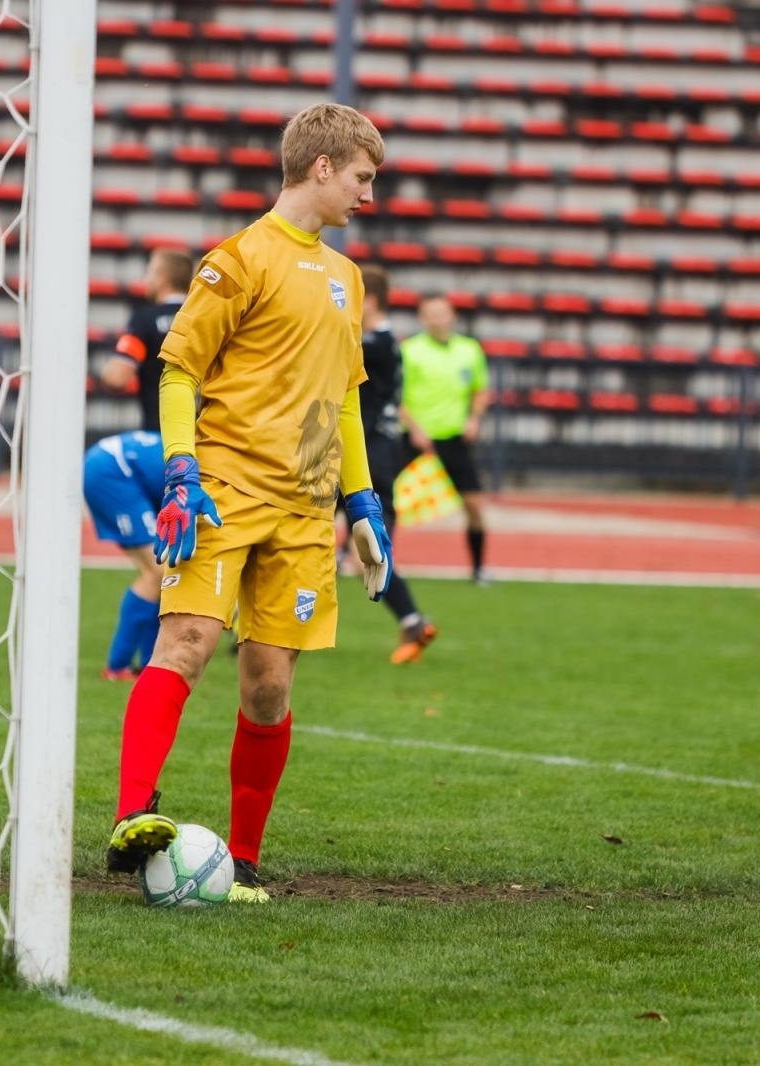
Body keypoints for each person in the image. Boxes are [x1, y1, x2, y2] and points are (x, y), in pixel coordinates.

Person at [102, 103, 393, 904]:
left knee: (269, 684)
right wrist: (180, 472)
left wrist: (361, 500)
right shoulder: (236, 260)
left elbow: (345, 400)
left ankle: (244, 860)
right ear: (324, 166)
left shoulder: (348, 278)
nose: (371, 195)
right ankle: (133, 816)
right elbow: (178, 372)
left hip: (304, 509)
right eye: (364, 177)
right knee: (188, 639)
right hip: (223, 490)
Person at [356, 265, 439, 663]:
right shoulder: (386, 343)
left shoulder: (376, 342)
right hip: (375, 452)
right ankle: (411, 619)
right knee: (357, 554)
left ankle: (412, 619)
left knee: (366, 553)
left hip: (369, 456)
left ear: (368, 301)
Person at [400, 294, 493, 584]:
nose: (437, 319)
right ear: (422, 318)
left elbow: (480, 389)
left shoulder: (469, 350)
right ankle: (349, 553)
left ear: (452, 316)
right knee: (376, 496)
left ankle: (478, 569)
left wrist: (474, 419)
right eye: (430, 314)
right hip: (416, 439)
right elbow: (395, 397)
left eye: (442, 313)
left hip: (454, 439)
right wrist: (414, 428)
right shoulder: (409, 351)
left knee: (475, 506)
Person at [81, 430, 167, 681]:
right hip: (113, 471)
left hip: (112, 465)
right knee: (158, 571)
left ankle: (150, 664)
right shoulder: (215, 467)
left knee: (162, 573)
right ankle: (118, 666)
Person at [99, 247, 194, 431]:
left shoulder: (145, 320)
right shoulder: (206, 319)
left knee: (100, 459)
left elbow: (117, 378)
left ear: (162, 280)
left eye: (149, 272)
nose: (145, 279)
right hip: (203, 441)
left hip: (160, 437)